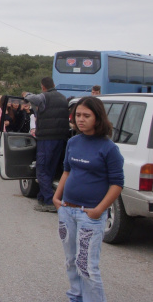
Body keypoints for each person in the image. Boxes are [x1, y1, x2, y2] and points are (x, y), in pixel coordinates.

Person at [52, 96, 124, 302]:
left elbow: (117, 184)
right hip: (67, 210)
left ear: (98, 117)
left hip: (89, 215)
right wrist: (57, 198)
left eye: (86, 115)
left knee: (87, 265)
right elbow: (66, 171)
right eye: (77, 115)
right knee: (71, 261)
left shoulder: (109, 149)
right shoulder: (73, 142)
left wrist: (99, 210)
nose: (81, 119)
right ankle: (76, 296)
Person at [24, 77, 70, 212]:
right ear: (54, 85)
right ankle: (42, 199)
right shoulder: (63, 97)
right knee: (51, 169)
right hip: (61, 139)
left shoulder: (44, 96)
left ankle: (50, 201)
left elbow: (32, 99)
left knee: (42, 170)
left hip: (47, 139)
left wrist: (26, 95)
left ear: (43, 87)